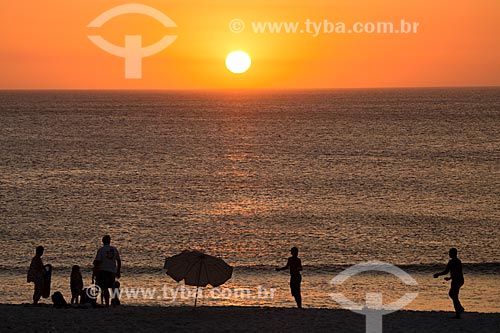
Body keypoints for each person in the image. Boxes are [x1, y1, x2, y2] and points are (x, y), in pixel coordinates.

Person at [434, 248, 465, 318]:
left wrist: (438, 274)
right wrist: (450, 278)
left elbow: (446, 271)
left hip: (456, 280)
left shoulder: (451, 262)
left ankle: (458, 312)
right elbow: (458, 272)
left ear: (453, 254)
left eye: (450, 253)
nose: (449, 254)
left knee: (454, 295)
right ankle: (459, 308)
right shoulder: (458, 261)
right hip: (460, 279)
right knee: (452, 294)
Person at [93, 235, 121, 307]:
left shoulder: (101, 250)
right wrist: (118, 271)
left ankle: (107, 304)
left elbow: (97, 262)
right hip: (112, 271)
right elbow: (118, 260)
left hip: (103, 270)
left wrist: (95, 272)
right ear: (109, 241)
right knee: (112, 287)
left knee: (105, 288)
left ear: (103, 241)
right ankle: (114, 303)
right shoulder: (114, 249)